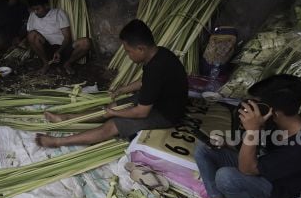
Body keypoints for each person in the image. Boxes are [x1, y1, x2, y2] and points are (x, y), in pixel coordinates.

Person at [195, 74, 301, 198]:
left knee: (226, 177)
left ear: (273, 112)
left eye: (256, 105)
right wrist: (227, 141)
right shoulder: (278, 120)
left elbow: (247, 169)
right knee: (204, 149)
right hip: (264, 164)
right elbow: (244, 145)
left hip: (276, 187)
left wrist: (252, 130)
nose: (250, 107)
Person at [36, 19, 187, 147]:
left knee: (112, 125)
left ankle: (57, 141)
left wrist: (115, 114)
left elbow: (142, 112)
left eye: (128, 51)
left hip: (165, 113)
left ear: (141, 48)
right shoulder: (158, 53)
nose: (128, 55)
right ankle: (66, 118)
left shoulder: (157, 67)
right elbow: (145, 81)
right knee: (112, 106)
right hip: (159, 98)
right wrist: (122, 90)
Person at [25, 0, 91, 75]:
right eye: (33, 9)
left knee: (86, 42)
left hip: (62, 49)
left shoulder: (58, 13)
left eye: (38, 9)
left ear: (46, 5)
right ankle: (46, 64)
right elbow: (31, 39)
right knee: (32, 35)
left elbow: (67, 38)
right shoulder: (32, 16)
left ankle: (67, 63)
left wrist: (59, 51)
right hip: (46, 50)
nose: (36, 12)